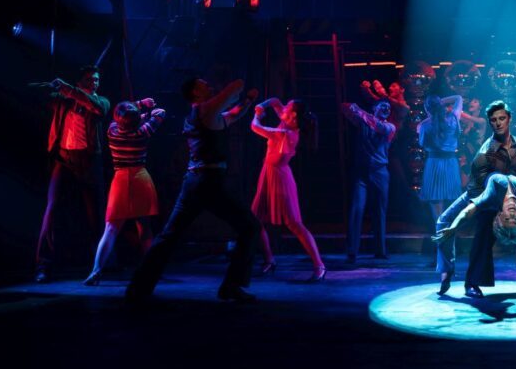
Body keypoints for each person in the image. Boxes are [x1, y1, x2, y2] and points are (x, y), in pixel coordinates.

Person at [125, 77, 261, 304]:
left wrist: (247, 100)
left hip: (199, 181)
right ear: (195, 94)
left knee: (170, 235)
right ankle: (231, 286)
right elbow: (232, 89)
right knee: (249, 226)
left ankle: (138, 288)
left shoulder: (208, 115)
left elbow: (234, 114)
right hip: (206, 181)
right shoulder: (203, 110)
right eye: (202, 84)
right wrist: (242, 85)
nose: (208, 85)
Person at [434, 100, 516, 296]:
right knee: (447, 222)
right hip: (482, 196)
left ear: (510, 119)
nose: (498, 123)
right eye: (494, 120)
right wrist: (491, 208)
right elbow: (476, 189)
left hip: (513, 196)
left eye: (502, 118)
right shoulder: (485, 152)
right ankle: (453, 274)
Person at [35, 65, 110, 283]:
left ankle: (99, 265)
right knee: (51, 210)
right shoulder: (64, 99)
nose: (94, 83)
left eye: (96, 79)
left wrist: (69, 89)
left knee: (95, 215)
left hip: (88, 161)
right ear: (79, 81)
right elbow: (39, 94)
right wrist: (51, 86)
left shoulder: (101, 101)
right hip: (63, 158)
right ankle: (43, 265)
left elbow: (98, 108)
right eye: (89, 79)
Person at [84, 99, 166, 285]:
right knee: (144, 228)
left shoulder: (112, 131)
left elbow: (121, 117)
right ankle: (151, 270)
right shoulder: (143, 132)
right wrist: (145, 111)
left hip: (121, 180)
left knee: (111, 228)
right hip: (140, 178)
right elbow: (160, 112)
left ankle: (96, 270)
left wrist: (139, 105)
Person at [250, 98, 325, 282]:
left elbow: (255, 127)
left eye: (288, 107)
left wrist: (257, 115)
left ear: (293, 115)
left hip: (280, 178)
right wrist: (262, 105)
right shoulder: (286, 122)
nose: (283, 108)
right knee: (254, 220)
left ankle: (319, 265)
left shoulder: (285, 133)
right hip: (268, 174)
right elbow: (275, 101)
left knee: (294, 223)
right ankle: (269, 259)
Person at [342, 101, 396, 263]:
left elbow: (378, 127)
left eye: (388, 107)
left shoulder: (390, 127)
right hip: (362, 173)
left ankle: (380, 250)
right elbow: (345, 108)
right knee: (357, 209)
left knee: (379, 211)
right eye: (382, 106)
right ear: (374, 108)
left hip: (380, 172)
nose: (386, 109)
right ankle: (352, 252)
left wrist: (360, 110)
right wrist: (353, 107)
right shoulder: (363, 123)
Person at [417, 94, 463, 231]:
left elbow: (422, 144)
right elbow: (459, 98)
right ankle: (450, 236)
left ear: (427, 109)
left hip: (434, 163)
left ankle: (441, 235)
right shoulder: (453, 118)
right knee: (452, 201)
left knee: (436, 201)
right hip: (450, 163)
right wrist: (440, 102)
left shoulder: (424, 125)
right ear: (441, 106)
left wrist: (432, 107)